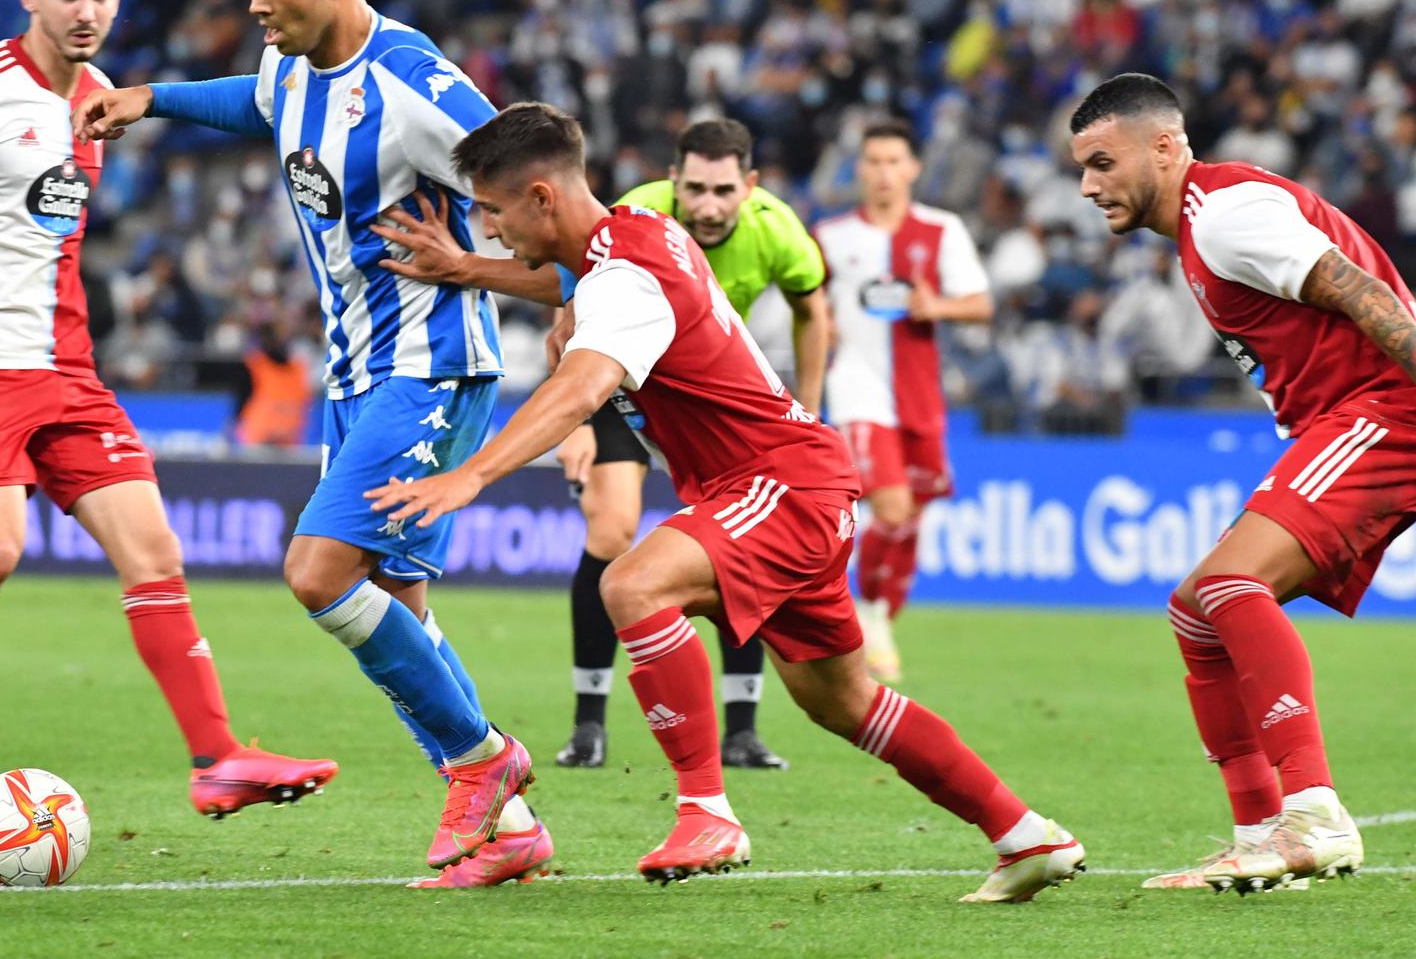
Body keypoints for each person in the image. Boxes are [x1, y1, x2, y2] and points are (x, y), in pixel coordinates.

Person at [370, 102, 1085, 904]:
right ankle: (1026, 833)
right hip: (792, 484)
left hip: (777, 485)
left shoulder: (625, 279)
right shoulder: (635, 234)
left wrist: (471, 475)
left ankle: (707, 810)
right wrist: (469, 272)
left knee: (632, 584)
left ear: (541, 198)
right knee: (846, 702)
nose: (490, 231)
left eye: (493, 211)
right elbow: (565, 278)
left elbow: (579, 385)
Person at [76, 0, 552, 887]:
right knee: (396, 601)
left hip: (431, 367)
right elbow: (254, 103)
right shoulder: (286, 66)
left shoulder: (419, 89)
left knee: (318, 573)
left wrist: (472, 267)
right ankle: (508, 828)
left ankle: (480, 762)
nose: (252, 1)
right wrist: (150, 99)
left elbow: (562, 231)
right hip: (355, 373)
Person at [0, 0, 332, 842]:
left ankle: (218, 760)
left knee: (156, 550)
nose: (87, 12)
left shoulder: (98, 99)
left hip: (69, 373)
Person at [376, 117, 832, 772]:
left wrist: (812, 406)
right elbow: (574, 304)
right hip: (619, 376)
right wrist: (470, 271)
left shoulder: (776, 231)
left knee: (732, 558)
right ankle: (592, 722)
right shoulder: (637, 214)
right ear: (672, 179)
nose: (708, 204)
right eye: (695, 187)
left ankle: (741, 729)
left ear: (749, 188)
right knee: (614, 531)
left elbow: (812, 309)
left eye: (723, 190)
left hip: (706, 392)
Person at [1070, 72, 1405, 892]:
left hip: (1385, 411)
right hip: (1351, 418)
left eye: (1103, 162)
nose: (1087, 186)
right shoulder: (1203, 224)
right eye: (1082, 168)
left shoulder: (1224, 217)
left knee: (1229, 584)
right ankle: (1259, 829)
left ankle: (1315, 816)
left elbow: (1359, 292)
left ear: (1164, 145)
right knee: (1195, 610)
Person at [814, 120, 993, 682]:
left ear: (913, 168)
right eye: (873, 161)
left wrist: (935, 306)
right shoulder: (831, 235)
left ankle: (878, 615)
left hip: (918, 394)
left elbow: (980, 304)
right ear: (859, 169)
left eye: (894, 160)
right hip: (857, 390)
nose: (884, 172)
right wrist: (820, 324)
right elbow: (809, 303)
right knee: (889, 507)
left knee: (911, 516)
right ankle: (868, 619)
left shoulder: (942, 230)